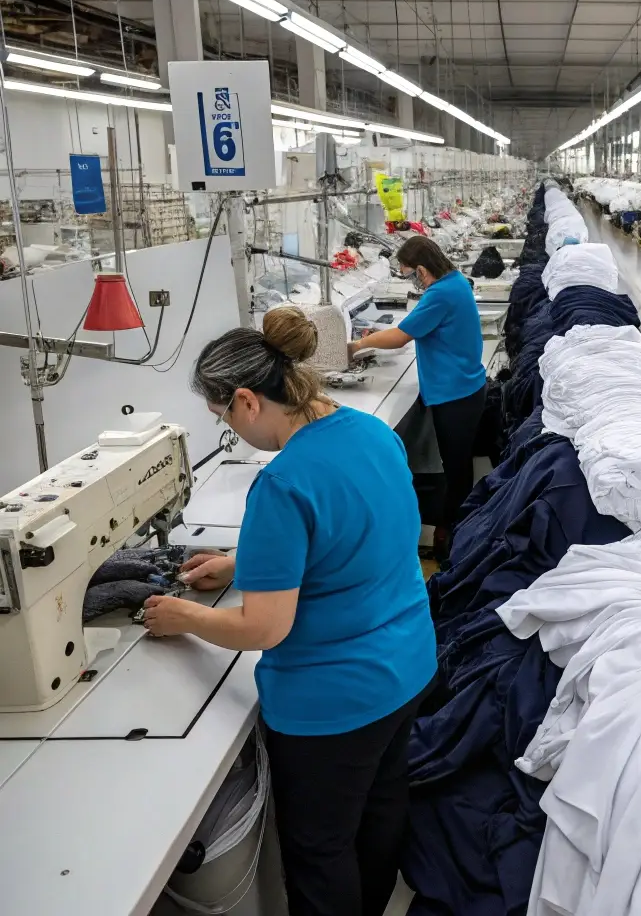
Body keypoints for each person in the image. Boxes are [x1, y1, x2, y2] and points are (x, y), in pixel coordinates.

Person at [143, 305, 437, 916]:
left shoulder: (281, 483)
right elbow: (359, 539)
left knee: (320, 848)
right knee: (381, 815)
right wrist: (245, 561)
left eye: (222, 415)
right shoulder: (369, 432)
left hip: (334, 705)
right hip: (407, 667)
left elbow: (264, 628)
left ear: (247, 400)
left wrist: (184, 618)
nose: (229, 429)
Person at [350, 235, 486, 554]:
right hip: (464, 387)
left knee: (456, 470)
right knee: (458, 466)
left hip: (456, 394)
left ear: (422, 270)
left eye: (409, 272)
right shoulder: (455, 282)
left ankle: (452, 539)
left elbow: (400, 337)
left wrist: (358, 345)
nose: (410, 279)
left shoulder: (441, 294)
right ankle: (456, 529)